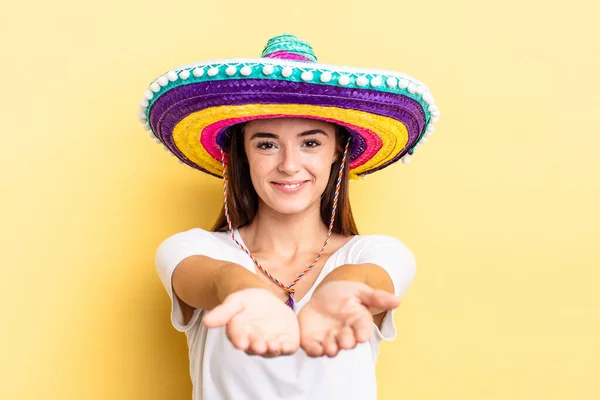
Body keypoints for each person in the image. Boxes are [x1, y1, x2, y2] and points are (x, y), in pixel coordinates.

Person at [139, 33, 439, 400]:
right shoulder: (193, 249)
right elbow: (213, 278)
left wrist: (339, 288)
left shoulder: (376, 254)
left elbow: (364, 278)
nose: (289, 165)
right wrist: (241, 287)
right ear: (243, 154)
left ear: (337, 152)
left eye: (310, 143)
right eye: (266, 144)